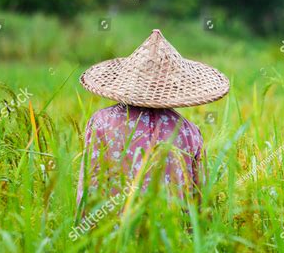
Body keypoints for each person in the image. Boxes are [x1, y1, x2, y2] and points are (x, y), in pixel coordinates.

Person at [77, 29, 230, 207]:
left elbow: (90, 186)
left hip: (115, 229)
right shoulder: (189, 131)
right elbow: (199, 198)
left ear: (129, 80)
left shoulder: (102, 122)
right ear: (175, 86)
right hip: (171, 230)